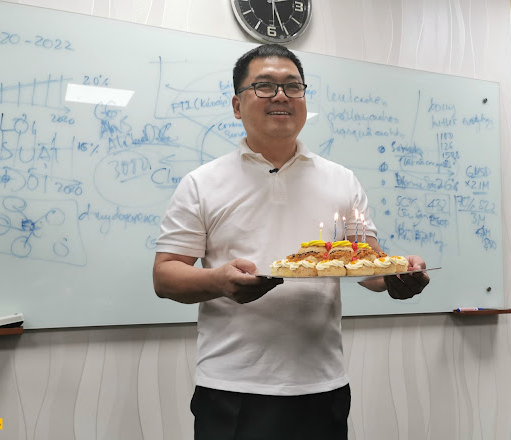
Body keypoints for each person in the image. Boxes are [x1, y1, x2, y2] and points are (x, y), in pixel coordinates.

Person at [153, 44, 429, 440]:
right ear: (237, 105)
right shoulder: (201, 183)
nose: (281, 96)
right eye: (264, 86)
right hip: (232, 388)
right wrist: (219, 282)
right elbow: (165, 276)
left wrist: (396, 276)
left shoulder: (342, 179)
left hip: (323, 385)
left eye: (292, 86)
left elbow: (365, 263)